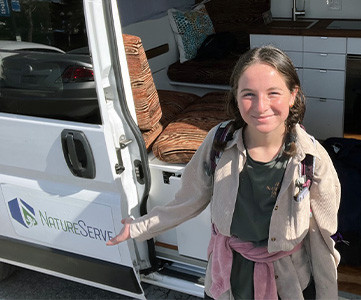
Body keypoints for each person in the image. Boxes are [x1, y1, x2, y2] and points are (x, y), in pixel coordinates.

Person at [107, 45, 341, 299]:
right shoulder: (219, 143)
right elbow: (188, 199)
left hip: (289, 283)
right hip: (228, 277)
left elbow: (323, 238)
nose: (261, 107)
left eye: (274, 93)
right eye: (249, 94)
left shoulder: (312, 160)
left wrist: (327, 294)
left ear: (293, 95)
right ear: (236, 97)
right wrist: (139, 228)